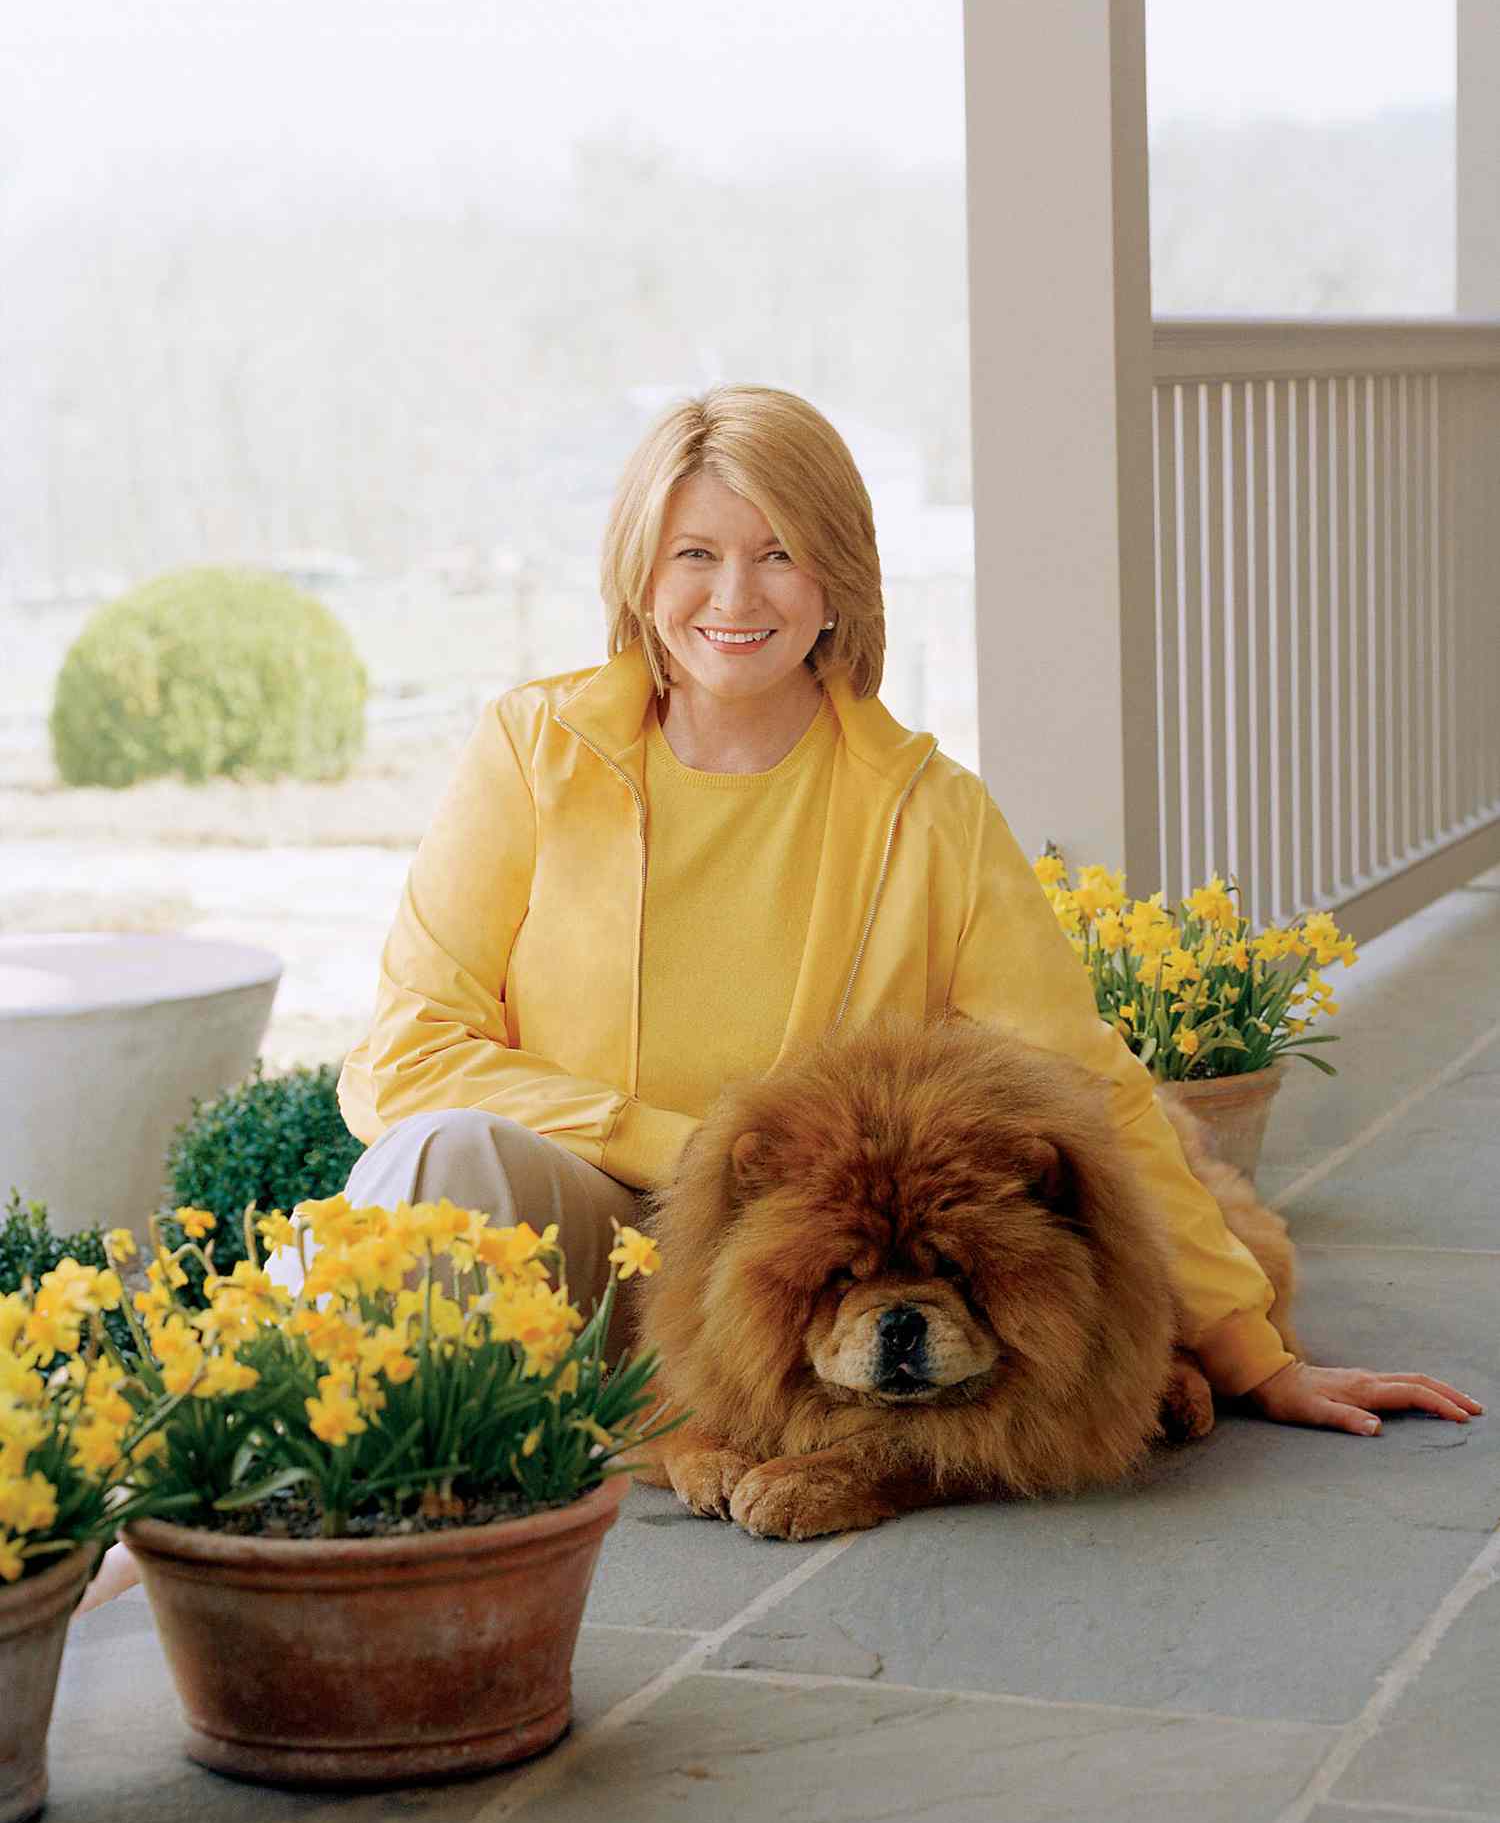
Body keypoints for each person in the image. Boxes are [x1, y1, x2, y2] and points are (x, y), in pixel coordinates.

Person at [76, 385, 1478, 1614]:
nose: (733, 597)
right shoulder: (535, 750)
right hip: (604, 1245)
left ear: (838, 579)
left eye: (776, 553)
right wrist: (679, 1151)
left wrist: (1247, 1345)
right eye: (696, 553)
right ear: (641, 570)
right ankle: (194, 1490)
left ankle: (307, 1509)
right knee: (437, 1148)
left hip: (799, 1290)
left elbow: (1089, 1086)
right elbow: (399, 1059)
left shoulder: (924, 811)